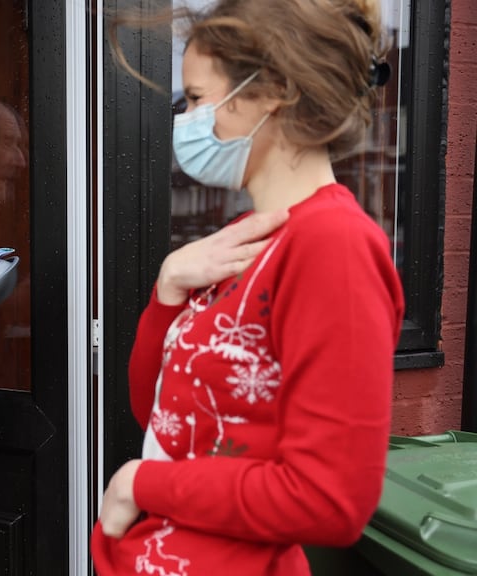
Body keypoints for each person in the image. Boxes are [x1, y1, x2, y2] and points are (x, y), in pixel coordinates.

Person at [93, 1, 404, 574]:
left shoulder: (334, 245)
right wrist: (167, 290)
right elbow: (159, 413)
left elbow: (329, 499)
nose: (183, 120)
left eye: (194, 99)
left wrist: (143, 483)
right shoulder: (242, 239)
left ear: (272, 92)